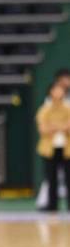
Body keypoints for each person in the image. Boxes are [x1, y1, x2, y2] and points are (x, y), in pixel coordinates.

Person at [36, 80, 70, 211]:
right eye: (56, 90)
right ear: (50, 92)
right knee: (51, 178)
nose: (58, 92)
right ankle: (52, 205)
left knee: (68, 178)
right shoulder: (45, 109)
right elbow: (43, 129)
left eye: (61, 90)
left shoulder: (68, 108)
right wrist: (61, 126)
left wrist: (54, 126)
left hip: (67, 149)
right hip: (49, 149)